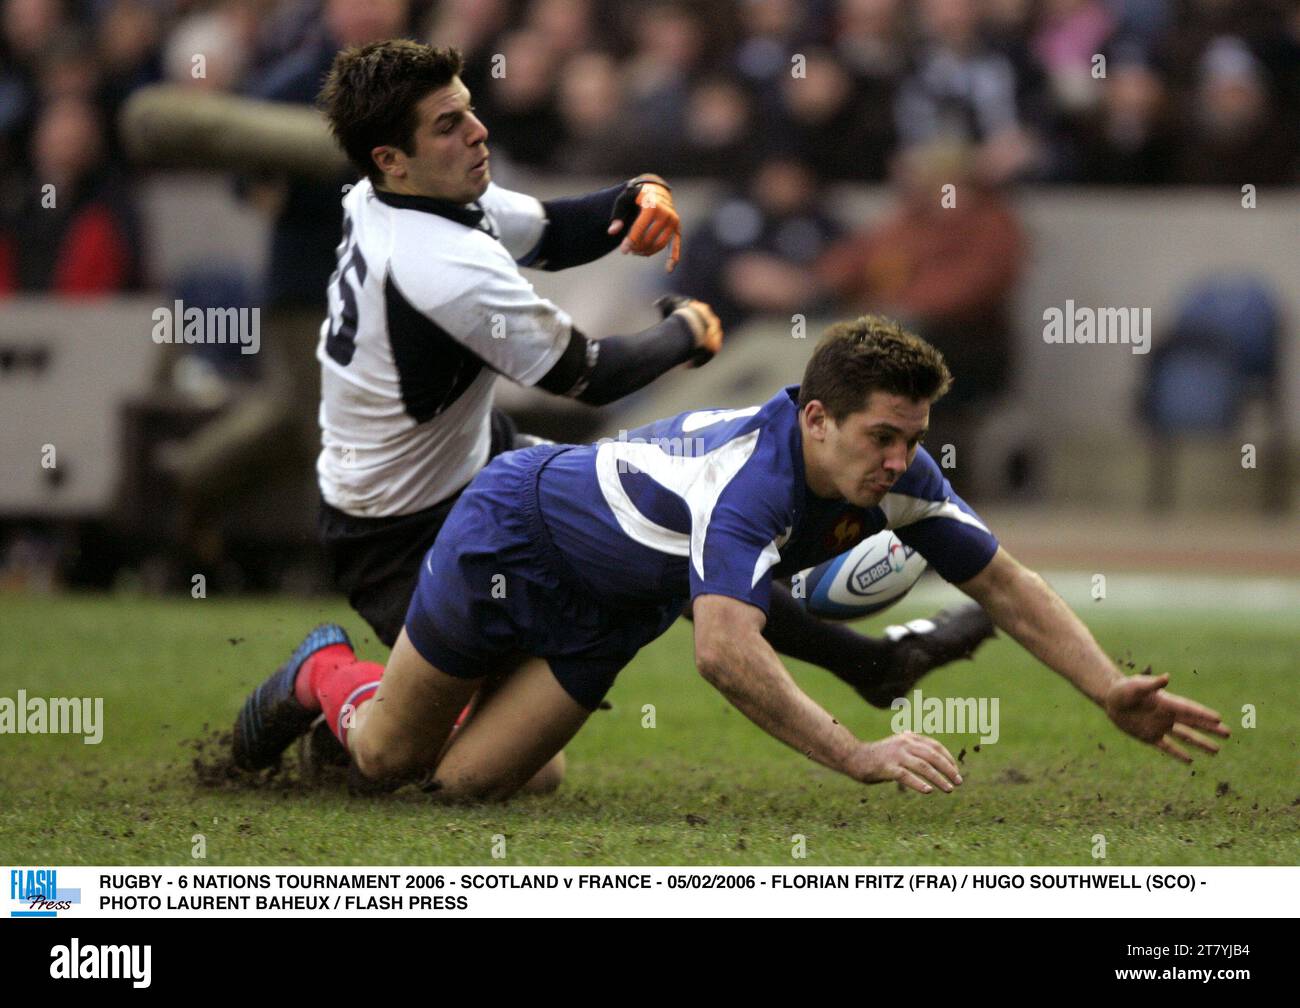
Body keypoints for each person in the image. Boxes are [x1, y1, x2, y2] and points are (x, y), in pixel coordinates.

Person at [232, 40, 993, 775]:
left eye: (468, 110)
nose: (478, 130)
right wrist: (685, 332)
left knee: (671, 517)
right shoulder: (438, 265)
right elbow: (585, 374)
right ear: (391, 160)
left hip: (484, 463)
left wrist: (634, 197)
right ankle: (326, 678)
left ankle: (867, 661)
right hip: (395, 523)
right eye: (449, 125)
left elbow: (550, 230)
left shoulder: (408, 195)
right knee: (449, 762)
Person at [237, 316, 1230, 800]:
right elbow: (722, 652)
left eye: (912, 437)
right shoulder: (750, 485)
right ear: (815, 417)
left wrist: (1107, 687)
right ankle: (326, 670)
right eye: (883, 437)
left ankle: (417, 700)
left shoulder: (896, 470)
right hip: (514, 537)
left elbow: (1003, 583)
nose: (900, 460)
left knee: (473, 790)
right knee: (388, 761)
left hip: (614, 608)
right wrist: (856, 752)